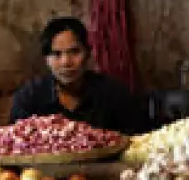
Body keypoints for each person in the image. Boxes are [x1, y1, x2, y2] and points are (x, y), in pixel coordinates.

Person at [9, 17, 145, 135]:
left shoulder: (113, 94)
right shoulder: (29, 98)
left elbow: (133, 142)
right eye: (56, 54)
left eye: (74, 52)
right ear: (46, 59)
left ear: (87, 53)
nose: (66, 62)